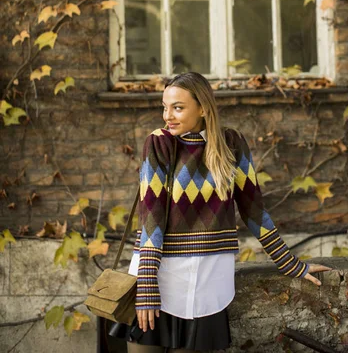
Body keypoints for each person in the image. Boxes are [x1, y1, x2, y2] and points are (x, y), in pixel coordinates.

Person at [109, 72, 331, 352]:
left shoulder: (232, 144)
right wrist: (147, 286)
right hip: (160, 273)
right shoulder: (160, 143)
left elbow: (254, 210)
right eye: (164, 107)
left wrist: (291, 264)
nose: (168, 116)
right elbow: (151, 218)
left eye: (178, 107)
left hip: (208, 278)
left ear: (203, 107)